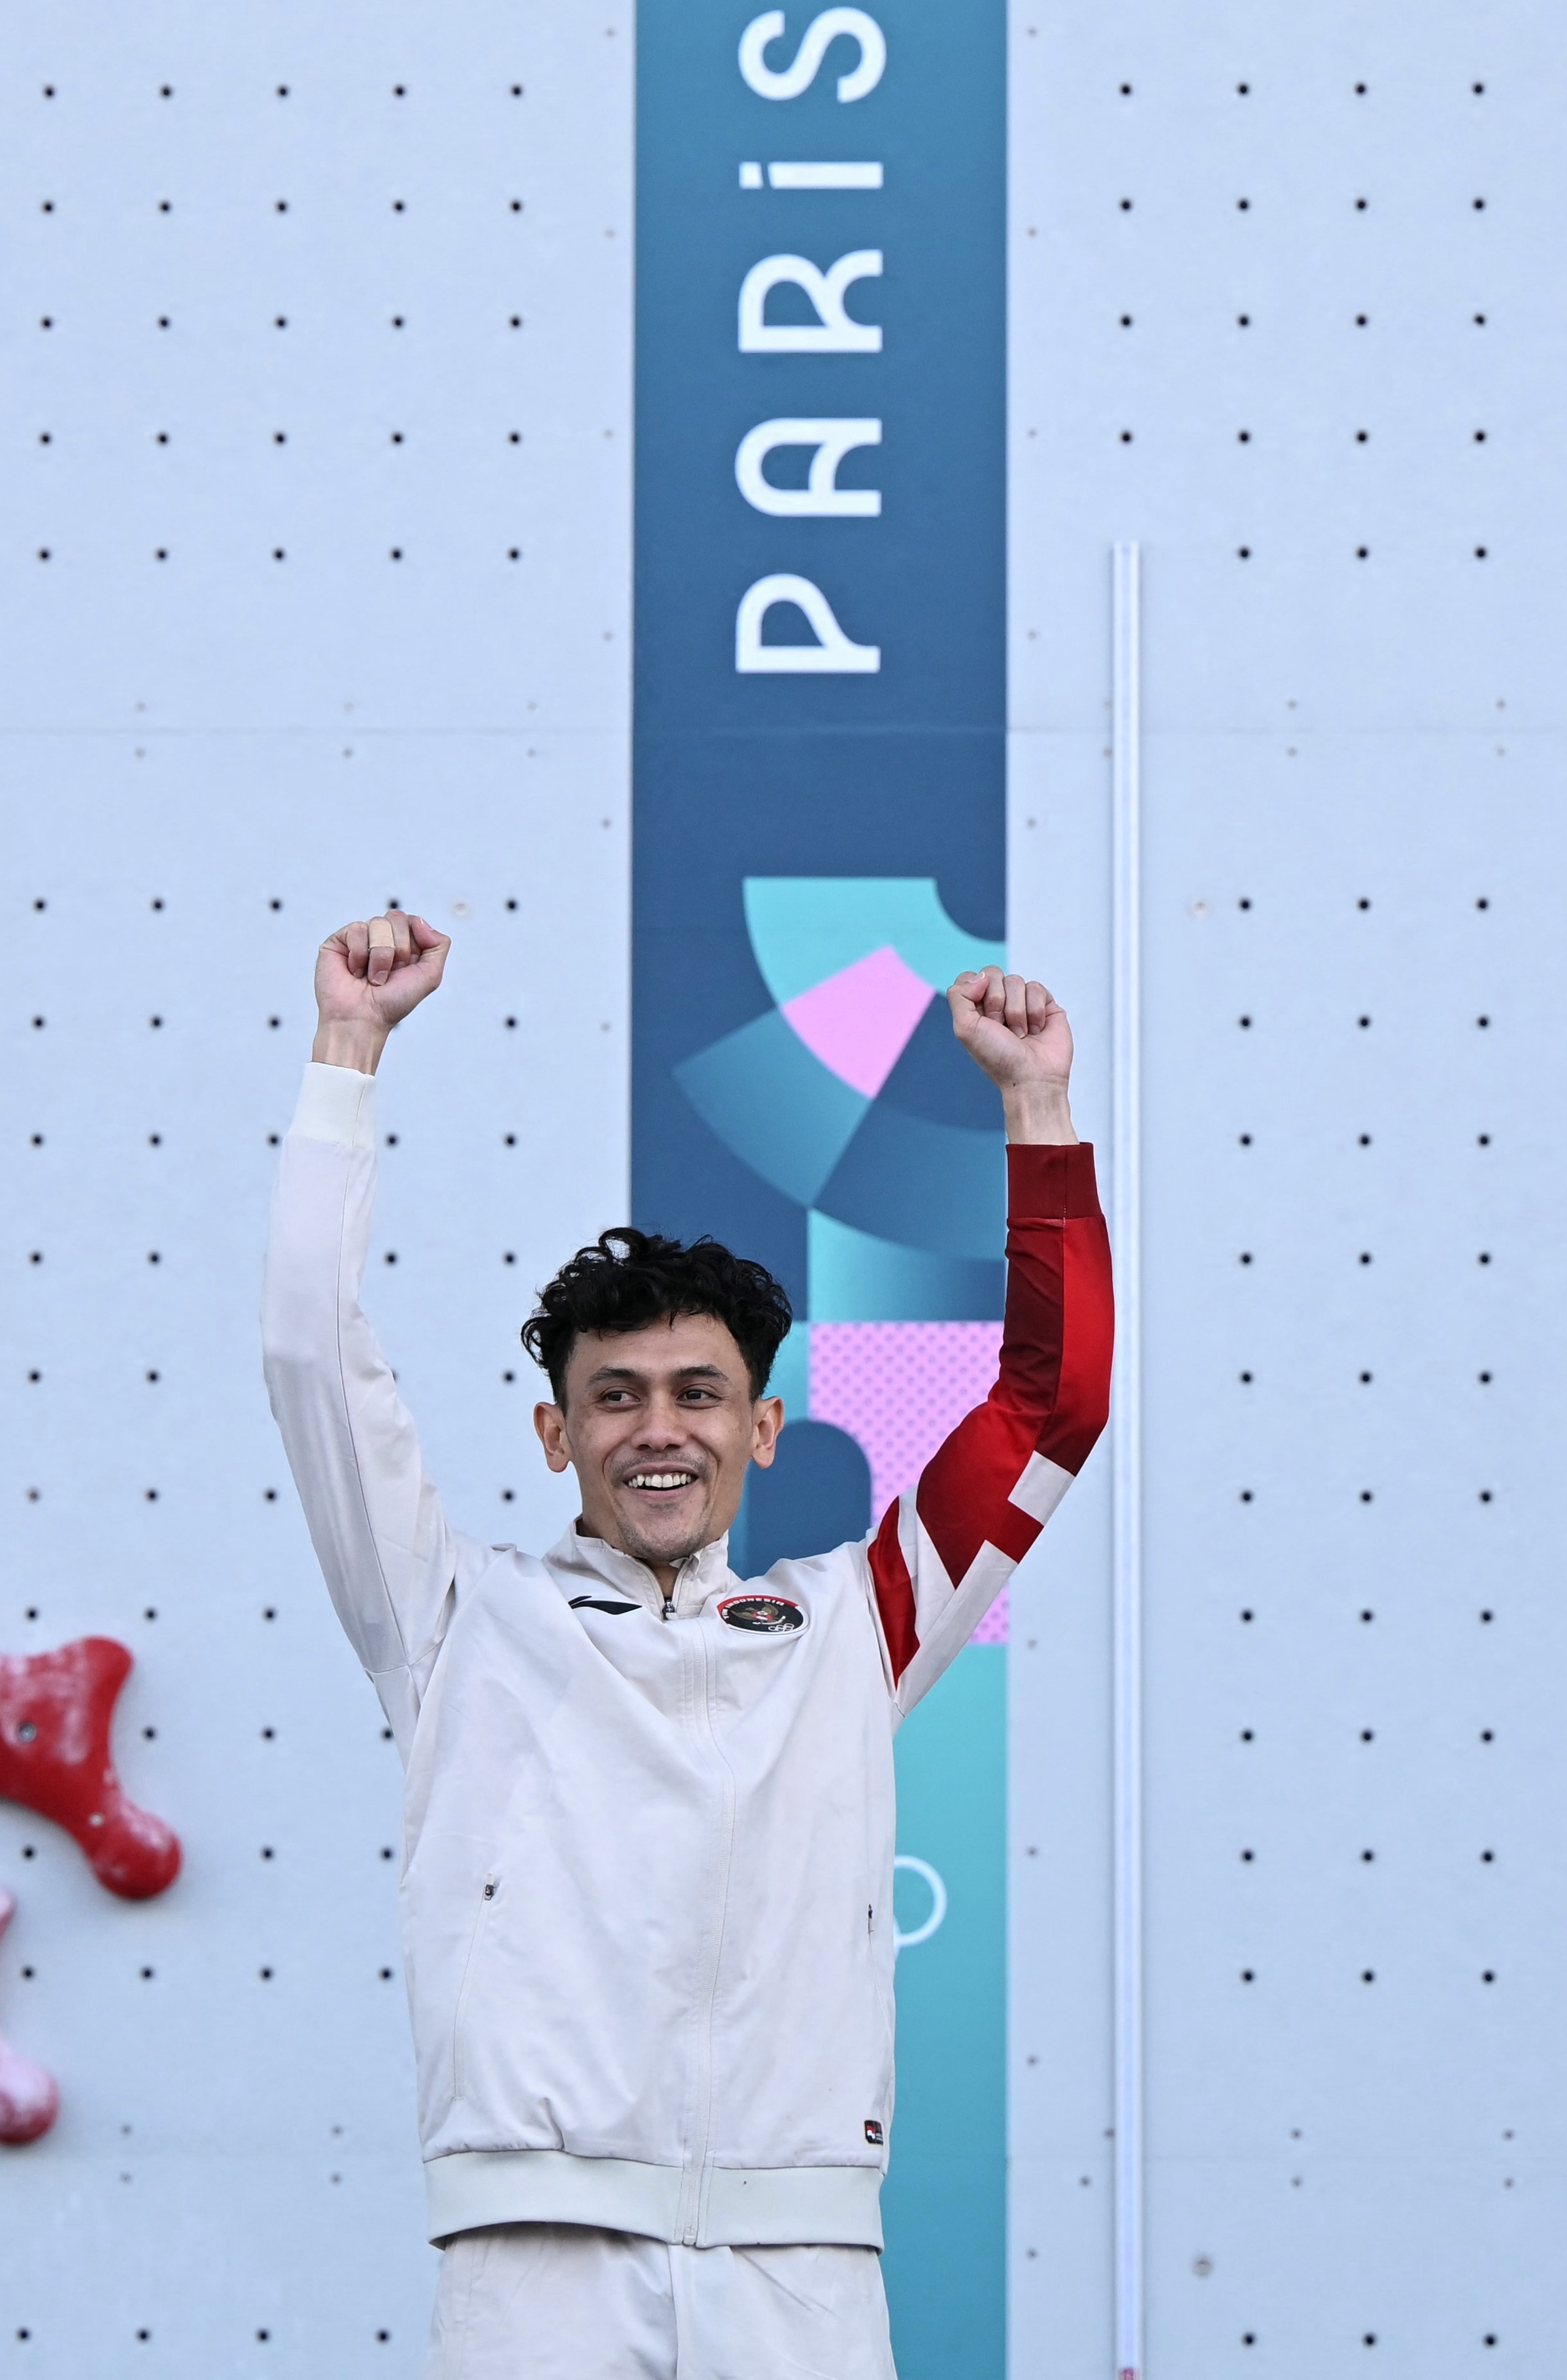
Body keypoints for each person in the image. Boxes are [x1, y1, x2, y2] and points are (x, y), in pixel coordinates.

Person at [263, 909, 1111, 2380]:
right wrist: (348, 1051)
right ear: (555, 1432)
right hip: (535, 2260)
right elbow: (307, 1355)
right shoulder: (453, 1618)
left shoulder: (855, 1625)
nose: (658, 1428)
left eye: (700, 1393)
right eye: (615, 1395)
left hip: (800, 2275)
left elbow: (1053, 1407)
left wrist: (1034, 1111)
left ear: (762, 1427)